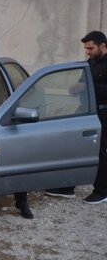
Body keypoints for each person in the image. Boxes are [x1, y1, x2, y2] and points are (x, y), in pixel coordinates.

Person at [45, 30, 107, 204]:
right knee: (75, 145)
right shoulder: (91, 62)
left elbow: (94, 88)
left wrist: (88, 88)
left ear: (103, 45)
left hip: (104, 113)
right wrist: (75, 89)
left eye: (91, 48)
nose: (88, 51)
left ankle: (102, 192)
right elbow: (83, 83)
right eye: (86, 48)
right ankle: (67, 187)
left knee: (101, 152)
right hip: (86, 110)